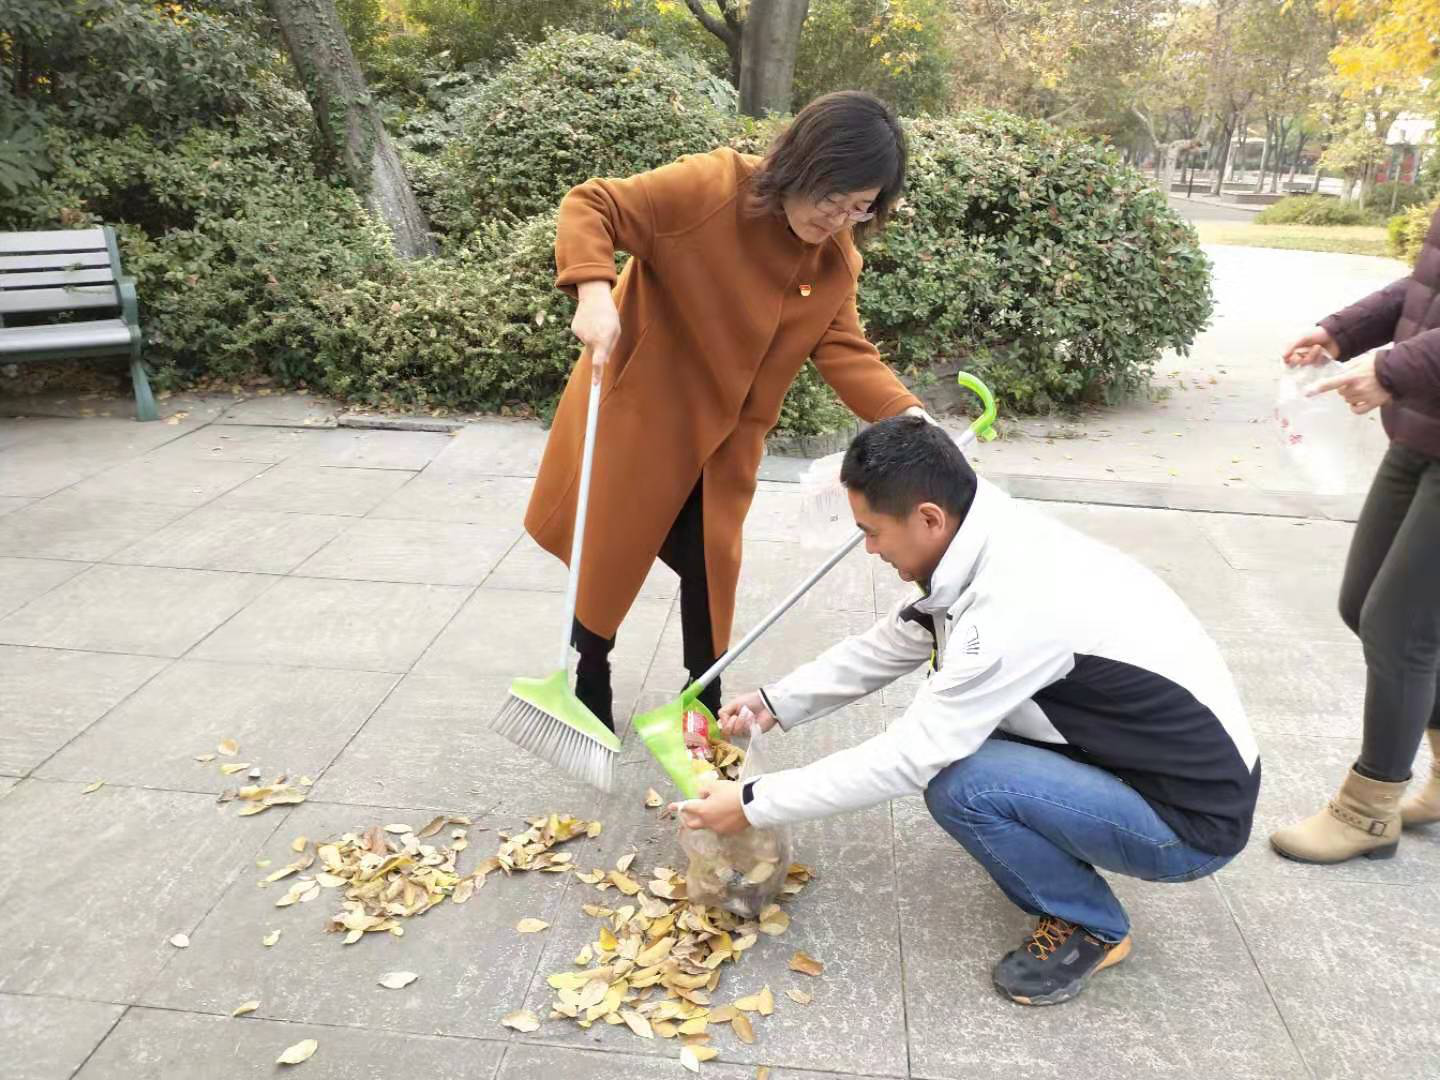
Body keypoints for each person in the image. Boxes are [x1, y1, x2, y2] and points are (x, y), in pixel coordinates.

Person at [675, 416, 1261, 1007]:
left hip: (1188, 822)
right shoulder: (983, 538)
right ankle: (1055, 833)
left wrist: (751, 803)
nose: (871, 549)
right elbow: (895, 640)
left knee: (962, 784)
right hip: (1143, 758)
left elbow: (911, 756)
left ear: (929, 517)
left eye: (873, 532)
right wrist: (777, 701)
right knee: (967, 737)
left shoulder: (1017, 603)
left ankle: (1090, 924)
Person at [525, 91, 927, 731]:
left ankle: (703, 699)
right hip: (646, 418)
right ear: (803, 164)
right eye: (834, 198)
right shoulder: (710, 189)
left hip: (726, 445)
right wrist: (594, 291)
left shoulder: (835, 260)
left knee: (711, 569)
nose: (840, 219)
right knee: (610, 552)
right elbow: (593, 204)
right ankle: (590, 672)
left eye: (860, 207)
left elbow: (844, 347)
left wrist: (908, 416)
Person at [1268, 206, 1440, 863]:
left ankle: (1368, 811)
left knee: (1401, 627)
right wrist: (1343, 332)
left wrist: (1392, 370)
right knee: (1363, 603)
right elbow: (1426, 283)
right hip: (1422, 426)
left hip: (1418, 399)